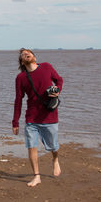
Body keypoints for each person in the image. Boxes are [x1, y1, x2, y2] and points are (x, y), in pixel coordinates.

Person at [12, 48, 63, 187]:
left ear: (34, 56)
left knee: (53, 146)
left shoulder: (46, 67)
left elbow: (59, 80)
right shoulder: (21, 78)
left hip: (49, 115)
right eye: (23, 54)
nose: (26, 54)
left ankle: (55, 160)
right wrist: (15, 121)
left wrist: (57, 89)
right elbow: (18, 100)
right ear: (22, 61)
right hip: (32, 118)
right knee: (31, 146)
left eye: (28, 53)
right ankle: (37, 176)